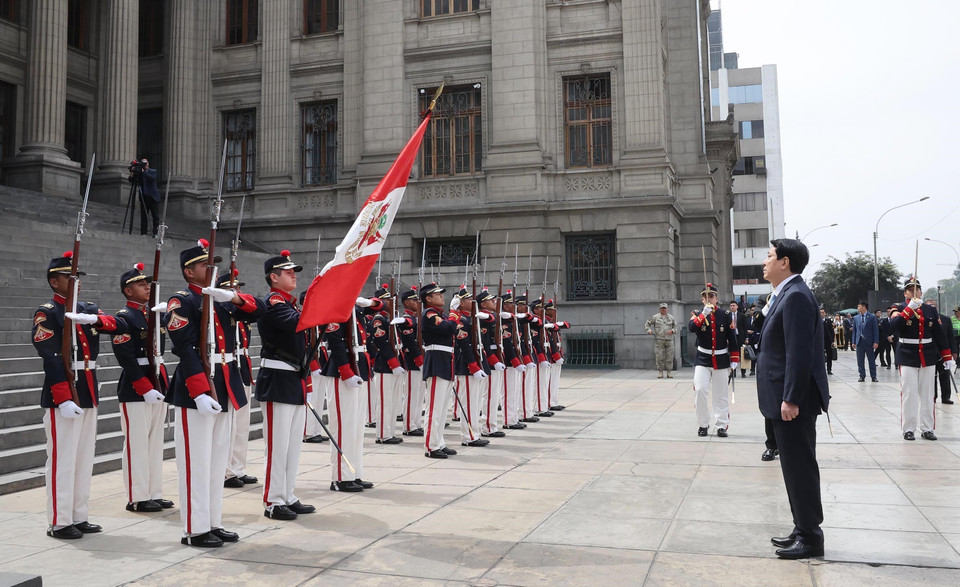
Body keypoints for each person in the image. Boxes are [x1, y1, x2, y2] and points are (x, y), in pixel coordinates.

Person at [165, 239, 264, 547]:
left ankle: (213, 521)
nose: (212, 269)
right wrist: (198, 391)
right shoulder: (181, 302)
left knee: (216, 460)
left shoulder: (220, 301)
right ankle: (194, 528)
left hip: (224, 385)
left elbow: (257, 310)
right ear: (189, 271)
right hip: (198, 389)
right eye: (204, 265)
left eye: (213, 264)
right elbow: (185, 348)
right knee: (196, 462)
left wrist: (233, 297)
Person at [33, 252, 124, 539]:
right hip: (64, 391)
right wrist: (64, 397)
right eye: (69, 277)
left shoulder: (87, 309)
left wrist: (95, 319)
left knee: (84, 458)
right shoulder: (47, 312)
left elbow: (117, 325)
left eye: (78, 277)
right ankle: (60, 521)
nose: (77, 282)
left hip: (87, 387)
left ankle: (78, 514)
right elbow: (50, 358)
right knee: (62, 459)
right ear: (54, 281)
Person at [757, 238, 830, 560]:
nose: (765, 261)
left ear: (784, 262)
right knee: (792, 466)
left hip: (792, 399)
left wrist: (791, 398)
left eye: (770, 256)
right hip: (783, 395)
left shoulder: (797, 296)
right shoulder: (786, 293)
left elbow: (800, 354)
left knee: (800, 467)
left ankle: (811, 537)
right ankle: (802, 528)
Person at [256, 250, 316, 520]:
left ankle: (287, 494)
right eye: (288, 272)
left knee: (292, 446)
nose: (294, 275)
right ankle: (273, 500)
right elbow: (296, 324)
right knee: (277, 446)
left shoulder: (289, 304)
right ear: (273, 277)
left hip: (293, 379)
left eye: (294, 271)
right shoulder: (274, 302)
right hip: (277, 380)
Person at [112, 262, 174, 513]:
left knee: (154, 442)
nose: (147, 287)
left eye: (147, 283)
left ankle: (153, 492)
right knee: (136, 444)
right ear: (128, 291)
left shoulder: (153, 315)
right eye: (140, 284)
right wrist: (143, 386)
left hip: (157, 381)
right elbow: (125, 357)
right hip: (136, 387)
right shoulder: (124, 317)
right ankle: (137, 496)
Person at [321, 295, 381, 490]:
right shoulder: (337, 309)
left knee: (356, 429)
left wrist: (369, 302)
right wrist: (346, 372)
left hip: (359, 367)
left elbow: (382, 305)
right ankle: (340, 477)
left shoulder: (356, 310)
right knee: (343, 427)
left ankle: (354, 472)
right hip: (342, 371)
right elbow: (336, 343)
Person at [890, 279, 954, 440]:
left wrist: (947, 356)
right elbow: (894, 325)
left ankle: (927, 428)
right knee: (909, 393)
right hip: (907, 354)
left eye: (916, 289)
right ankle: (908, 429)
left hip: (928, 355)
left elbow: (939, 334)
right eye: (910, 289)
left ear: (921, 292)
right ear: (905, 293)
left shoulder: (930, 310)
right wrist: (908, 310)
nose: (913, 292)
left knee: (927, 394)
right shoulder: (898, 308)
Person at [223, 270, 261, 489]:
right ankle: (226, 471)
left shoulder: (242, 313)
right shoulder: (223, 314)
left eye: (238, 288)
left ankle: (238, 467)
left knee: (242, 425)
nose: (237, 291)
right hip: (230, 369)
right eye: (232, 288)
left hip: (242, 369)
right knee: (230, 425)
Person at [688, 283, 740, 437]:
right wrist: (703, 314)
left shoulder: (725, 315)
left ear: (717, 298)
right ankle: (703, 424)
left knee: (721, 394)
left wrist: (735, 358)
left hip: (721, 358)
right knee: (700, 390)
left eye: (711, 296)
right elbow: (692, 328)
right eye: (706, 297)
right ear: (702, 299)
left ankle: (722, 425)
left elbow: (732, 338)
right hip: (703, 359)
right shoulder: (697, 313)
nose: (709, 299)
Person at [420, 282, 461, 459]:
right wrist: (454, 313)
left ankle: (439, 442)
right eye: (437, 294)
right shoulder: (430, 314)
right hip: (437, 361)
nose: (442, 296)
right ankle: (431, 446)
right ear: (428, 298)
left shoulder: (439, 314)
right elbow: (448, 329)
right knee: (434, 408)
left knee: (443, 408)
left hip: (445, 361)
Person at [452, 287, 491, 447]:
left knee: (475, 403)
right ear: (460, 303)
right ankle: (468, 436)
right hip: (466, 365)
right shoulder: (461, 320)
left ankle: (474, 433)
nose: (471, 301)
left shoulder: (471, 318)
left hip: (476, 363)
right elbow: (465, 345)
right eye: (467, 299)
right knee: (468, 403)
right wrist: (473, 367)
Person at [369, 284, 407, 445]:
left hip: (395, 363)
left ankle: (390, 432)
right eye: (387, 299)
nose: (391, 302)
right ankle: (383, 434)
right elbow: (382, 343)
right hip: (385, 366)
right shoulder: (379, 319)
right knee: (385, 402)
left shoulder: (390, 318)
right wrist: (393, 363)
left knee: (393, 401)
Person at [398, 287, 425, 437]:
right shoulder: (406, 319)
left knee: (419, 395)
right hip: (412, 361)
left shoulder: (417, 318)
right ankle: (408, 425)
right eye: (414, 300)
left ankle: (416, 422)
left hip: (421, 361)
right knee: (411, 395)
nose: (417, 303)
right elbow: (410, 343)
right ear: (407, 302)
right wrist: (420, 361)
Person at [925, 299, 957, 404]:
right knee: (931, 376)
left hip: (944, 352)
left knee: (945, 375)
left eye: (933, 305)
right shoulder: (923, 319)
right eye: (929, 306)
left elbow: (950, 337)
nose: (931, 307)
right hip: (929, 351)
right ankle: (932, 396)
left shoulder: (945, 319)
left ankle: (946, 397)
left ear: (937, 307)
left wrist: (954, 351)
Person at [544, 300, 570, 412]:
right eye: (552, 310)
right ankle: (549, 402)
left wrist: (558, 324)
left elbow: (567, 325)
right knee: (549, 380)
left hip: (557, 352)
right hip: (551, 354)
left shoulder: (554, 321)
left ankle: (554, 401)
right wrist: (556, 356)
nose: (555, 312)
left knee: (555, 380)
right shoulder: (545, 322)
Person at [645, 303, 677, 378]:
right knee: (659, 356)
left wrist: (672, 331)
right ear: (660, 309)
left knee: (669, 356)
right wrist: (648, 330)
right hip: (659, 339)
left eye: (665, 308)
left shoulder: (671, 317)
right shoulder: (655, 317)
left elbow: (676, 327)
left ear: (667, 309)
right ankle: (660, 372)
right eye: (662, 308)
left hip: (669, 340)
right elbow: (647, 323)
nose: (663, 310)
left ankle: (669, 372)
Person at [850, 301, 879, 382]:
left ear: (864, 307)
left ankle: (874, 376)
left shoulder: (872, 317)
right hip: (859, 341)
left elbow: (875, 330)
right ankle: (862, 376)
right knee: (860, 360)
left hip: (869, 342)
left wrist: (876, 341)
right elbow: (855, 331)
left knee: (871, 360)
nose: (858, 308)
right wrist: (853, 341)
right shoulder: (856, 318)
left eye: (859, 306)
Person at [133, 158, 161, 237]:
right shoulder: (140, 174)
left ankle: (155, 233)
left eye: (145, 162)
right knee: (144, 216)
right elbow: (132, 181)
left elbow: (152, 179)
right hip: (144, 197)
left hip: (153, 197)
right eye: (142, 163)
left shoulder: (153, 171)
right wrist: (132, 173)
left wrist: (144, 172)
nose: (144, 164)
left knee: (155, 216)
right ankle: (143, 233)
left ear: (148, 163)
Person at [821, 308, 835, 375]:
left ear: (825, 313)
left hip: (828, 341)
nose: (821, 314)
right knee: (820, 355)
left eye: (823, 312)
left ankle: (829, 369)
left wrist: (832, 340)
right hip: (820, 341)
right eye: (820, 312)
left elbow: (832, 331)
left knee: (829, 355)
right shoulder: (816, 321)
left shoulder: (828, 321)